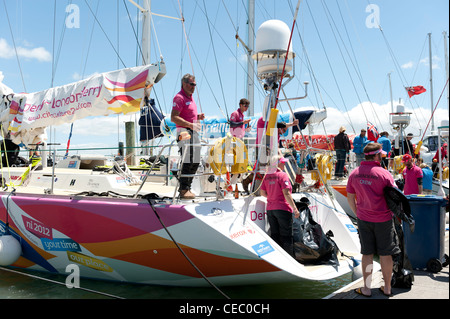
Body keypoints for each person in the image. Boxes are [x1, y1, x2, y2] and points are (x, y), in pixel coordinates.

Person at [346, 142, 400, 297]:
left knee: (367, 254)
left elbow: (350, 197)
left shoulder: (354, 173)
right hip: (383, 219)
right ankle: (388, 288)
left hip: (364, 219)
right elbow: (396, 196)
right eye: (381, 154)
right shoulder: (384, 174)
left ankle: (367, 288)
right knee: (385, 254)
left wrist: (358, 214)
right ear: (376, 155)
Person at [171, 73, 205, 199]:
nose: (193, 87)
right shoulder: (179, 97)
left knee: (196, 161)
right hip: (183, 132)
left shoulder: (191, 98)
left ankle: (187, 187)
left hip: (193, 131)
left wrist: (197, 117)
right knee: (188, 158)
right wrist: (191, 125)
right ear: (184, 84)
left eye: (195, 85)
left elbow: (188, 115)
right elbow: (174, 117)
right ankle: (183, 189)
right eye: (191, 84)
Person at [260, 156, 300, 256]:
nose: (284, 164)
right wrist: (295, 209)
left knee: (275, 235)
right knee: (286, 236)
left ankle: (277, 260)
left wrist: (273, 197)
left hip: (270, 209)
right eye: (283, 162)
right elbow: (286, 193)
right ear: (277, 163)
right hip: (283, 208)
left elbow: (262, 193)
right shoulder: (282, 175)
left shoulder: (267, 176)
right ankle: (290, 261)